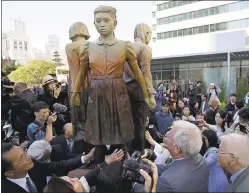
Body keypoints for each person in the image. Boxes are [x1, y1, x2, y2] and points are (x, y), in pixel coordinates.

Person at [70, 5, 155, 164]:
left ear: (114, 23)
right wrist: (75, 94)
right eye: (98, 21)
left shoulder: (125, 46)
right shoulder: (88, 47)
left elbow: (138, 73)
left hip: (118, 92)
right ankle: (99, 170)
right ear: (94, 24)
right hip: (96, 94)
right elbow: (81, 73)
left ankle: (123, 170)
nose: (102, 24)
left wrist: (147, 95)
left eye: (106, 20)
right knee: (98, 136)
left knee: (121, 135)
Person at [135, 120, 209, 192]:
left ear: (177, 149)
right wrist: (145, 165)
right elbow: (171, 167)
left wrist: (135, 183)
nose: (165, 138)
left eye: (168, 138)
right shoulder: (200, 158)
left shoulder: (166, 182)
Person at [1, 142, 95, 193]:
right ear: (9, 173)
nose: (28, 157)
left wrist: (85, 158)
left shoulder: (32, 165)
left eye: (24, 153)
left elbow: (56, 166)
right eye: (21, 159)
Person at [124, 23, 156, 153]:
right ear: (146, 33)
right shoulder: (144, 48)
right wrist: (151, 94)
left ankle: (127, 153)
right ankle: (137, 155)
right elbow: (145, 73)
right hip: (139, 90)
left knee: (127, 124)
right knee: (140, 124)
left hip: (125, 90)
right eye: (150, 34)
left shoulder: (126, 47)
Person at [65, 22, 90, 134]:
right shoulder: (92, 45)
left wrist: (74, 92)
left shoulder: (70, 46)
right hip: (92, 82)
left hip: (77, 83)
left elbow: (75, 70)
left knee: (79, 118)